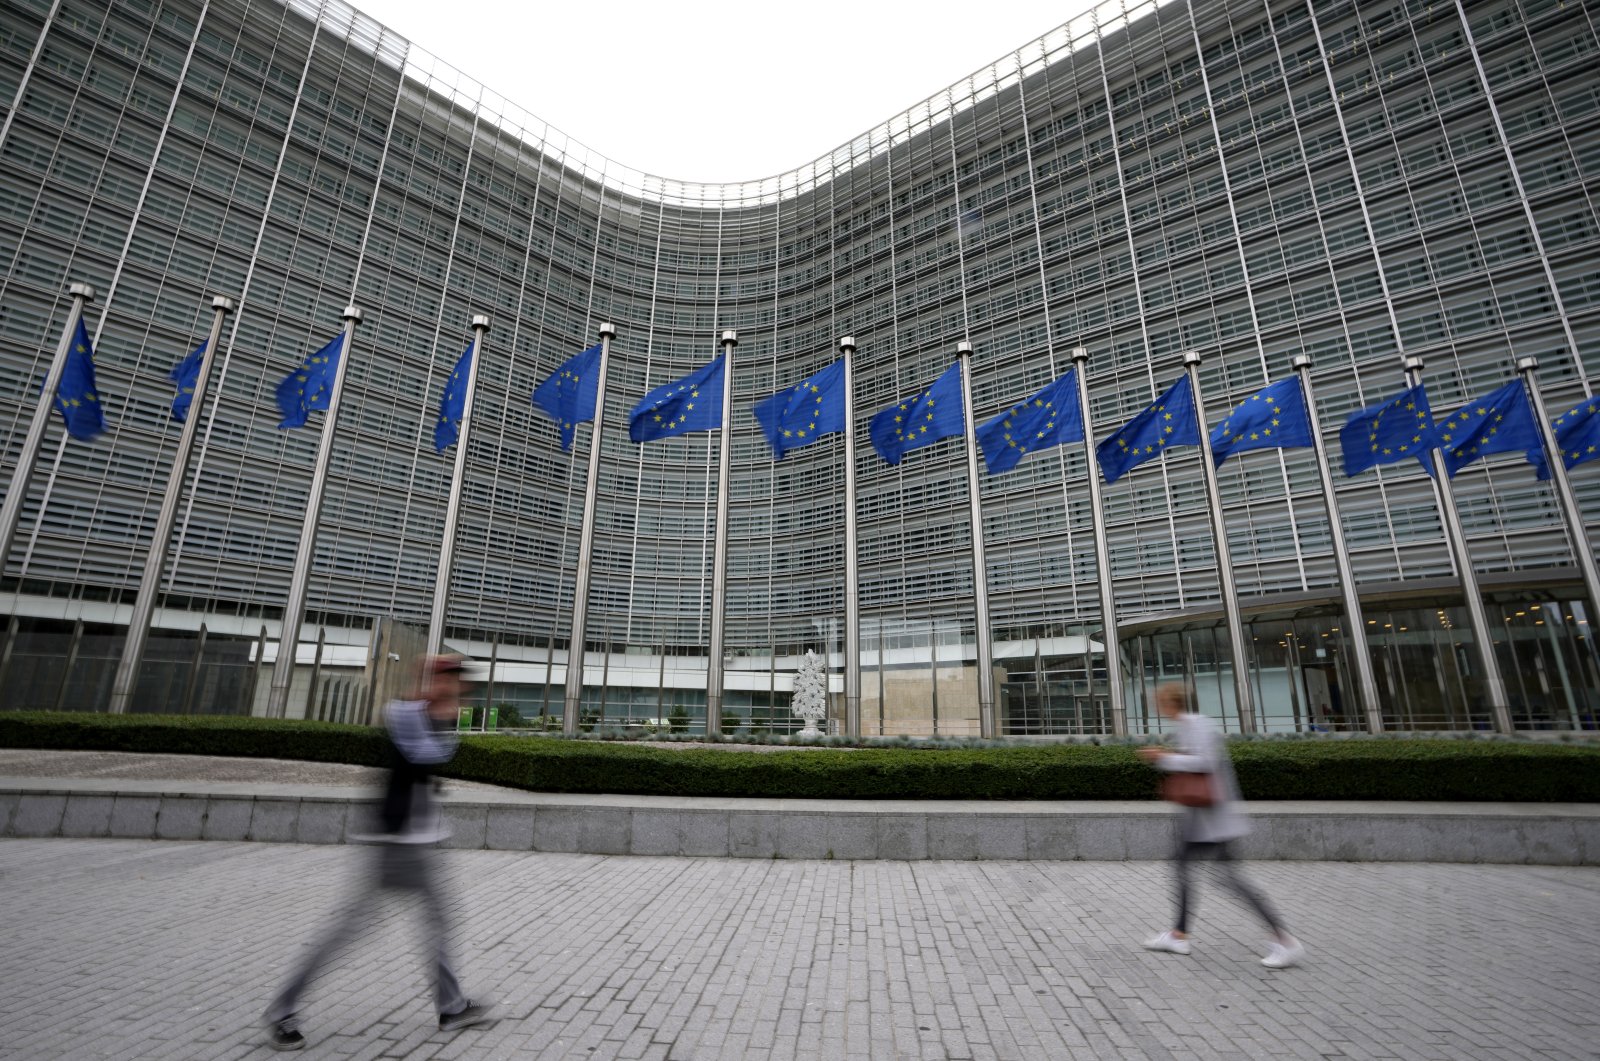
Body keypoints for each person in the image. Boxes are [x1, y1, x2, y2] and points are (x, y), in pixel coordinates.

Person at [263, 653, 493, 1051]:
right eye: (451, 679)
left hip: (417, 840)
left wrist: (441, 713)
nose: (458, 689)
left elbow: (439, 755)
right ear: (435, 679)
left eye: (459, 682)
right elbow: (426, 755)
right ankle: (282, 1009)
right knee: (352, 931)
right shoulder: (405, 712)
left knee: (432, 921)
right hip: (397, 844)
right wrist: (435, 708)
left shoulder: (434, 715)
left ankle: (451, 1005)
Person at [1137, 682, 1304, 969]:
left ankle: (1283, 939)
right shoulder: (1186, 726)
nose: (1157, 707)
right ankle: (1179, 934)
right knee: (1181, 867)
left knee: (1230, 880)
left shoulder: (1198, 725)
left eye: (1160, 701)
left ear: (1171, 703)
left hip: (1213, 821)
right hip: (1200, 820)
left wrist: (1164, 757)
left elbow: (1205, 762)